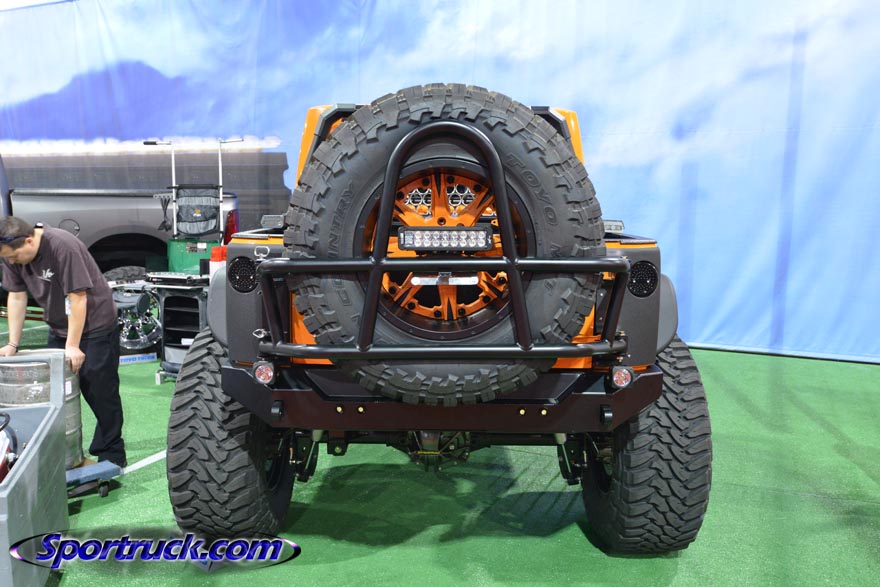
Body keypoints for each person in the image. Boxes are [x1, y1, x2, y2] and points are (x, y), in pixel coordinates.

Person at [0, 216, 126, 467]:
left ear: (29, 241)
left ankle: (111, 456)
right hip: (59, 327)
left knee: (101, 394)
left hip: (95, 326)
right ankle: (61, 456)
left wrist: (73, 345)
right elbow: (16, 296)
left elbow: (77, 298)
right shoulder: (9, 252)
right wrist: (13, 344)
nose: (12, 262)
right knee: (54, 396)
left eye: (14, 257)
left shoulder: (62, 246)